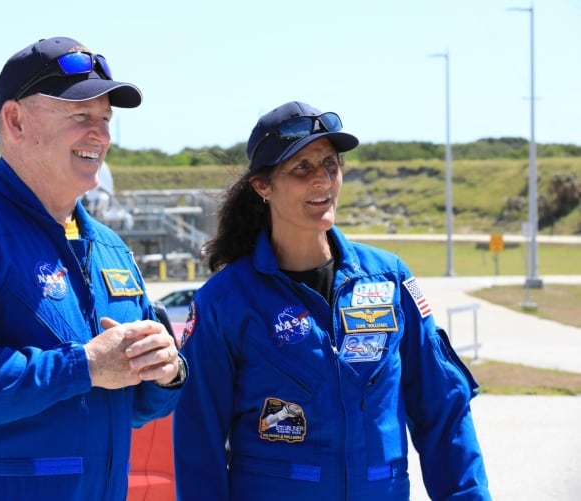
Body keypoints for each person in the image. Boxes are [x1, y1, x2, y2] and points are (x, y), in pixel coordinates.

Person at [0, 36, 186, 501]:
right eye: (80, 116)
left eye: (106, 120)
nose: (100, 135)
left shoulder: (110, 249)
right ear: (15, 121)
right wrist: (84, 365)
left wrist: (166, 373)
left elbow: (130, 403)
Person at [173, 101, 490, 500]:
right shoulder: (225, 302)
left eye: (330, 164)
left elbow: (442, 409)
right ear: (262, 186)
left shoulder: (390, 279)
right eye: (301, 168)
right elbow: (196, 443)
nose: (322, 179)